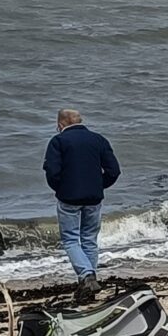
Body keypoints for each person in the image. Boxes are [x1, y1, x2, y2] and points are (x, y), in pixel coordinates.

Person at [43, 109, 121, 300]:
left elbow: (52, 171)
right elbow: (114, 170)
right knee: (89, 238)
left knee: (70, 239)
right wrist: (99, 185)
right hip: (94, 197)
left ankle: (86, 275)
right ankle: (88, 282)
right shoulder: (98, 139)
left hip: (68, 198)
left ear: (61, 124)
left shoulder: (58, 141)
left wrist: (60, 189)